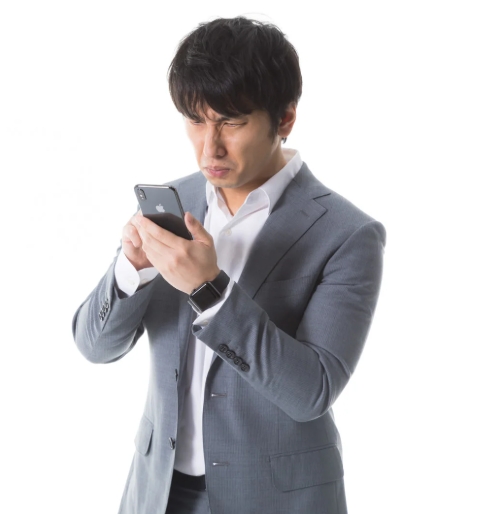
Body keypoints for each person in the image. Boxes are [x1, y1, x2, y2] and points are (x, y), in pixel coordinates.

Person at [72, 16, 385, 514]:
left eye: (231, 123)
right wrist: (132, 270)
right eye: (196, 120)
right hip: (159, 492)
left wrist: (209, 290)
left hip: (275, 500)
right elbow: (94, 346)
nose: (208, 147)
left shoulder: (347, 234)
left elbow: (312, 392)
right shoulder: (175, 202)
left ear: (285, 118)